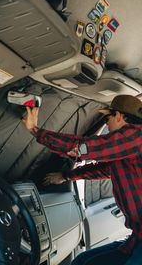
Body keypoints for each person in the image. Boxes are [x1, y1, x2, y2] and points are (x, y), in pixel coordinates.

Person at [22, 95, 142, 265]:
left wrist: (35, 131)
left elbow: (82, 147)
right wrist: (66, 176)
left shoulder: (135, 135)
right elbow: (106, 169)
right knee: (84, 261)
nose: (107, 124)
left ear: (119, 116)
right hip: (137, 237)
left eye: (107, 118)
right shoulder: (127, 147)